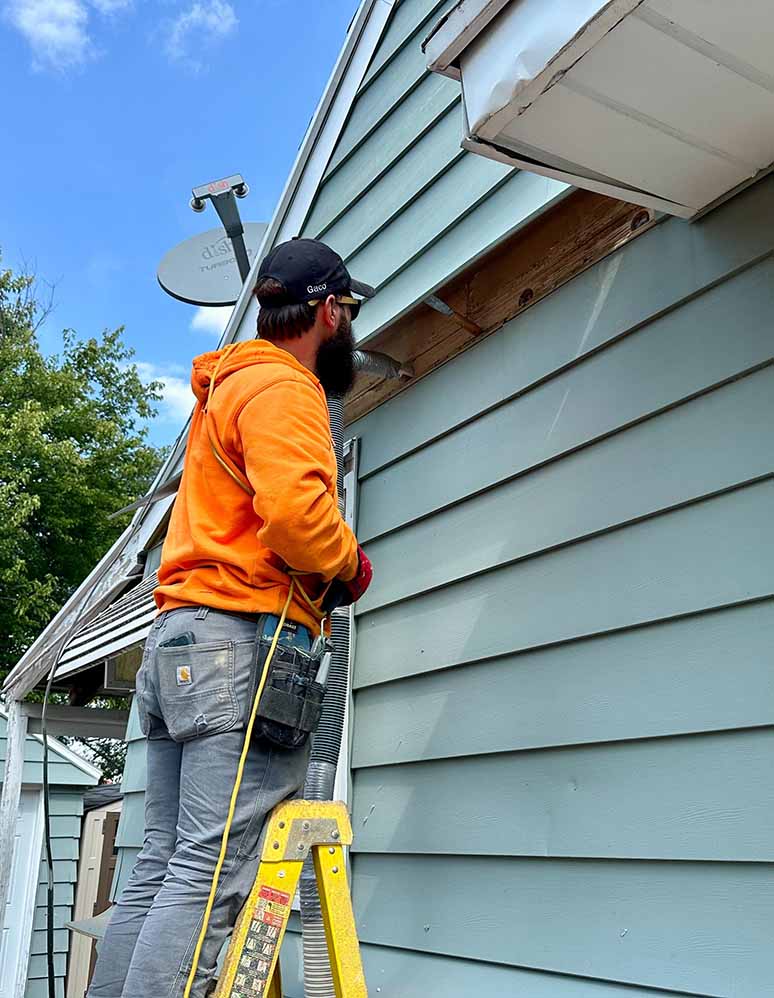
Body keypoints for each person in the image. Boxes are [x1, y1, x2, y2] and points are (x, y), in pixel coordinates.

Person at [88, 238, 374, 998]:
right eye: (346, 311)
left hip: (178, 644)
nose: (347, 326)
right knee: (207, 877)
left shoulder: (231, 388)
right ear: (325, 311)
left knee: (164, 866)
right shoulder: (286, 387)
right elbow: (295, 516)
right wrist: (348, 564)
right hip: (237, 645)